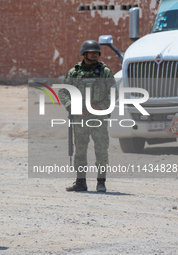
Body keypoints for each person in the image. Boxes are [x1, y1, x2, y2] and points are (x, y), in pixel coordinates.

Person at [58, 40, 117, 192]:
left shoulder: (105, 72)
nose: (95, 55)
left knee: (101, 149)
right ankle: (80, 182)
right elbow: (63, 91)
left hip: (98, 118)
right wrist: (71, 105)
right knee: (80, 150)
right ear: (84, 54)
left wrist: (100, 106)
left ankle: (101, 182)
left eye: (96, 52)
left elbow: (114, 92)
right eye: (91, 53)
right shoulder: (74, 73)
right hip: (79, 119)